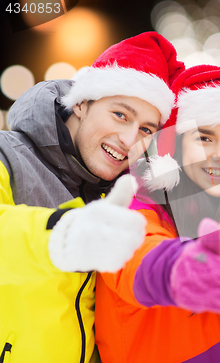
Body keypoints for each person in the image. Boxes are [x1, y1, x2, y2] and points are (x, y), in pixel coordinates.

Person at [0, 32, 184, 363]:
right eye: (120, 115)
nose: (129, 139)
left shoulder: (125, 188)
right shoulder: (7, 155)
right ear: (82, 103)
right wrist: (62, 233)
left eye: (146, 129)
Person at [95, 65, 220, 363]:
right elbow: (136, 254)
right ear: (175, 149)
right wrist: (177, 268)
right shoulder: (137, 207)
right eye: (205, 138)